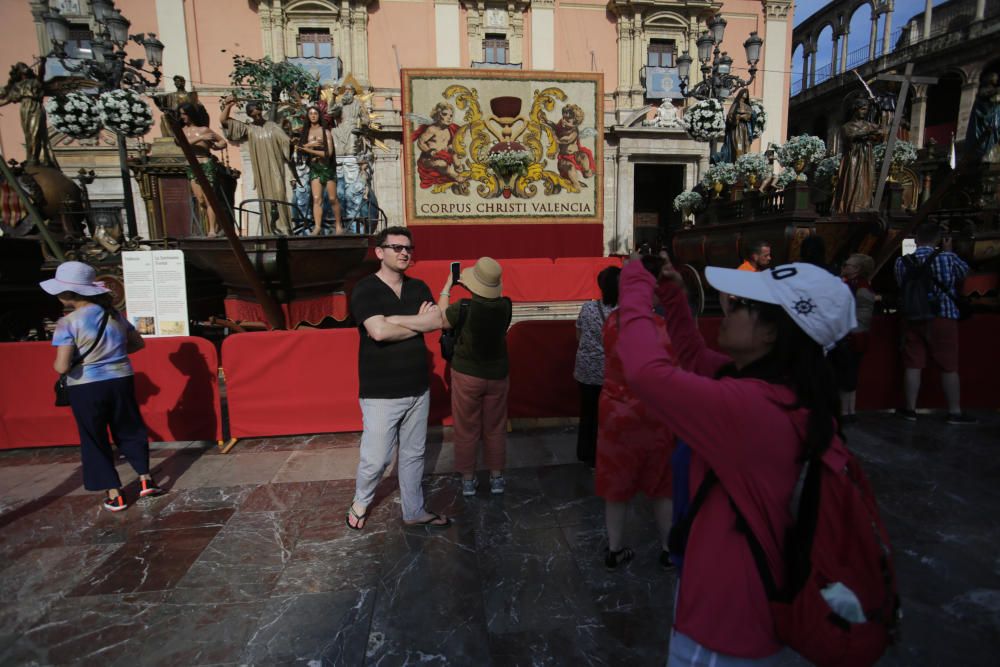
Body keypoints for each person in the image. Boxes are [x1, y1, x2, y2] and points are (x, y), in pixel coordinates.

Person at [615, 256, 856, 665]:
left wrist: (634, 285)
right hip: (735, 591)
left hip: (725, 621)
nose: (729, 303)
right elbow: (692, 358)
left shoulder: (753, 409)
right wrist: (673, 295)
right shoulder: (774, 389)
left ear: (772, 332)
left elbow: (644, 371)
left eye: (743, 304)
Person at [346, 226, 451, 529]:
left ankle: (414, 510)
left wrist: (395, 321)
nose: (404, 253)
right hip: (381, 391)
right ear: (380, 252)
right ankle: (360, 501)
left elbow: (439, 321)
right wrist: (420, 323)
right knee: (375, 460)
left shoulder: (418, 287)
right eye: (397, 247)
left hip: (418, 388)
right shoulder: (365, 289)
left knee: (414, 454)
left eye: (408, 248)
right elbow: (377, 331)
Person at [40, 262, 165, 511]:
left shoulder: (67, 323)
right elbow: (137, 344)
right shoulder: (114, 315)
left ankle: (115, 493)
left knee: (94, 437)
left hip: (87, 386)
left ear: (68, 293)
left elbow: (62, 367)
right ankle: (145, 479)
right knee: (129, 428)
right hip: (121, 379)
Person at [598, 255, 676, 572]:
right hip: (655, 414)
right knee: (662, 485)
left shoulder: (611, 324)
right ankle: (669, 548)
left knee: (616, 484)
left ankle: (615, 549)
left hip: (616, 413)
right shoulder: (661, 328)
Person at [437, 257, 513, 496]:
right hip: (498, 374)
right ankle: (497, 478)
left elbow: (441, 319)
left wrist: (448, 286)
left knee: (466, 427)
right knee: (495, 427)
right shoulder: (505, 305)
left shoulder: (462, 307)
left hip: (467, 374)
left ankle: (468, 480)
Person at [893, 222, 975, 424]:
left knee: (913, 364)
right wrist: (948, 251)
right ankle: (954, 411)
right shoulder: (947, 258)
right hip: (943, 316)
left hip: (913, 316)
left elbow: (899, 284)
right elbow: (965, 274)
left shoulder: (902, 262)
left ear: (916, 239)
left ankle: (910, 409)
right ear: (938, 239)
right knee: (949, 365)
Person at [220, 97, 293, 234]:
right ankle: (269, 230)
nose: (258, 115)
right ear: (250, 115)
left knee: (279, 194)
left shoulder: (273, 127)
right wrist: (229, 105)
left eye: (259, 112)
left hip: (276, 168)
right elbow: (224, 121)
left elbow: (287, 143)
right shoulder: (249, 129)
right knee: (265, 199)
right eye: (254, 114)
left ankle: (284, 228)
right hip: (262, 172)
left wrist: (292, 142)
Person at [573, 266, 620, 469]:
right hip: (612, 372)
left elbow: (578, 335)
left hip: (586, 370)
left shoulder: (588, 308)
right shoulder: (624, 313)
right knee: (609, 416)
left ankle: (586, 454)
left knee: (588, 413)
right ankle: (606, 455)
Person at [832, 253, 876, 420]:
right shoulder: (863, 286)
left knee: (845, 373)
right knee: (851, 374)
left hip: (850, 336)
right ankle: (850, 410)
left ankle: (844, 411)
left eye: (847, 265)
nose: (844, 267)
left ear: (857, 269)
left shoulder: (853, 287)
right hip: (860, 336)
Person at [178, 102, 227, 237]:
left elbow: (222, 142)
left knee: (209, 197)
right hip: (192, 166)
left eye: (184, 114)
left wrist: (216, 147)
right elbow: (181, 144)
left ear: (190, 114)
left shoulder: (204, 129)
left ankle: (212, 229)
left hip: (205, 163)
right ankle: (217, 225)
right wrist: (200, 138)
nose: (182, 117)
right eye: (181, 115)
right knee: (200, 199)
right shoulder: (182, 132)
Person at [296, 105, 344, 235]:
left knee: (333, 198)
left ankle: (339, 225)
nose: (313, 116)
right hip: (315, 169)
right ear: (307, 116)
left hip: (327, 168)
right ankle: (317, 227)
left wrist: (307, 149)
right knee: (317, 198)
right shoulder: (306, 133)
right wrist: (309, 146)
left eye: (315, 113)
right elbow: (299, 149)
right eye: (310, 113)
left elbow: (328, 153)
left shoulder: (326, 132)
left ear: (319, 116)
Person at [832, 98, 883, 214]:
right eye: (863, 109)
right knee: (852, 181)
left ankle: (863, 207)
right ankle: (850, 207)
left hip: (866, 159)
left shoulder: (870, 125)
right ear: (856, 109)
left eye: (867, 110)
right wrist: (868, 133)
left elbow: (882, 131)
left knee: (866, 183)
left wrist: (879, 111)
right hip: (853, 159)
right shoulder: (846, 126)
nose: (865, 112)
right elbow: (851, 136)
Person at [965, 71, 1000, 163]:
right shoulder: (984, 93)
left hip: (994, 122)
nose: (996, 79)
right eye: (994, 78)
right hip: (984, 126)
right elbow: (984, 104)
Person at [718, 88, 756, 163]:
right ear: (741, 94)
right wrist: (737, 117)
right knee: (738, 147)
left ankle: (745, 164)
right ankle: (737, 163)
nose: (745, 94)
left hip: (745, 129)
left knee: (746, 146)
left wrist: (746, 116)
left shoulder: (747, 106)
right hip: (737, 129)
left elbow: (751, 116)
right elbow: (730, 116)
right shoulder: (735, 105)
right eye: (744, 93)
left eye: (746, 93)